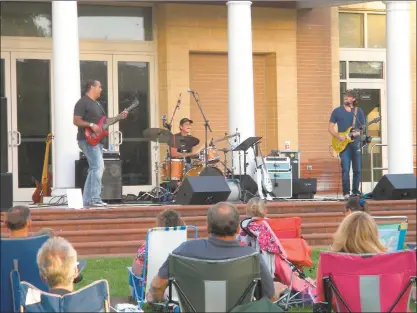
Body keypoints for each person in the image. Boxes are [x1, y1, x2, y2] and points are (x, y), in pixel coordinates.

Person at [146, 202, 277, 304]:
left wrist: (160, 301)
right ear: (238, 229)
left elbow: (157, 286)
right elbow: (269, 298)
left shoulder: (184, 251)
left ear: (207, 227)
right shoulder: (252, 257)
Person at [73, 80, 128, 207]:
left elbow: (104, 122)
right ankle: (94, 199)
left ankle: (88, 200)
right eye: (99, 86)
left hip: (97, 141)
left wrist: (119, 117)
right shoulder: (82, 102)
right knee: (98, 167)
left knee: (94, 168)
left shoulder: (97, 104)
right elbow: (76, 120)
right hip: (87, 139)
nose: (101, 89)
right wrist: (91, 125)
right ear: (91, 87)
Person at [315, 211, 386, 304]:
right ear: (374, 234)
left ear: (342, 232)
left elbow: (322, 298)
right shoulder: (388, 262)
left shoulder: (330, 261)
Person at [328, 89, 366, 199]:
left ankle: (355, 191)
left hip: (355, 143)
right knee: (345, 169)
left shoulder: (358, 111)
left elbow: (362, 129)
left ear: (354, 99)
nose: (346, 97)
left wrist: (357, 133)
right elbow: (330, 127)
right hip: (342, 144)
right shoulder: (337, 111)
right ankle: (346, 193)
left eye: (348, 96)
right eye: (345, 96)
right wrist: (337, 136)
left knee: (357, 169)